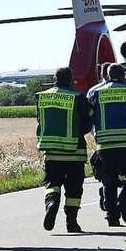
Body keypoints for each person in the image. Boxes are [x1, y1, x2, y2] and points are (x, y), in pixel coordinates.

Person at [88, 64, 126, 226]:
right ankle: (125, 204)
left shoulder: (96, 93)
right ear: (123, 76)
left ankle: (111, 216)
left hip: (105, 145)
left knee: (109, 180)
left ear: (107, 76)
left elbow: (89, 117)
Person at [36, 67, 93, 233]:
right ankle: (71, 222)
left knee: (52, 183)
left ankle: (52, 203)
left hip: (52, 152)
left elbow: (41, 121)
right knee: (74, 188)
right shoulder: (78, 97)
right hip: (74, 151)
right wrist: (77, 131)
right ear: (71, 79)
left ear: (55, 78)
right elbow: (89, 119)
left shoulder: (42, 97)